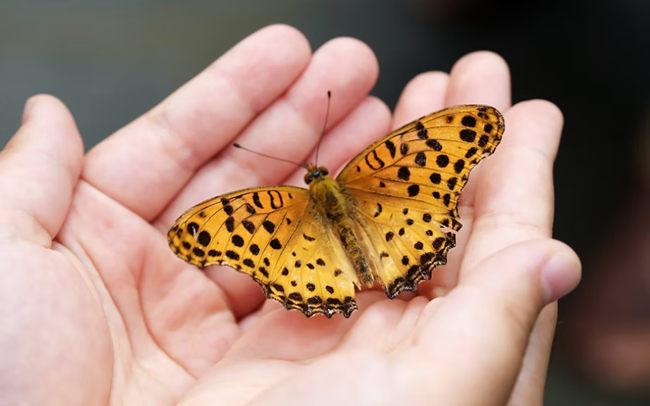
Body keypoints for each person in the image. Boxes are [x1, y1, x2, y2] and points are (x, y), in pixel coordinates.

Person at [0, 24, 580, 405]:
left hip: (311, 265)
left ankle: (352, 281)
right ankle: (394, 268)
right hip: (403, 229)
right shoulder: (375, 165)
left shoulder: (264, 208)